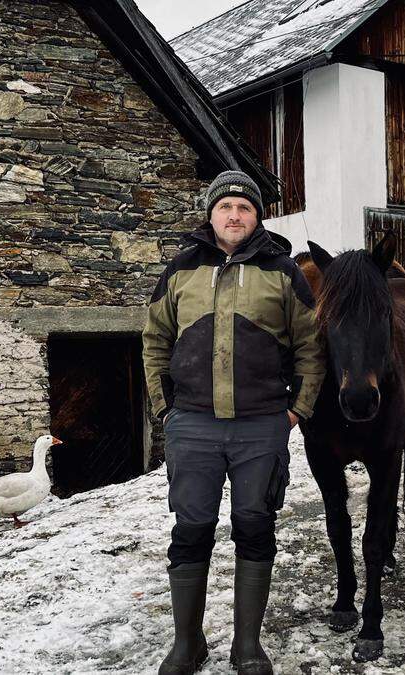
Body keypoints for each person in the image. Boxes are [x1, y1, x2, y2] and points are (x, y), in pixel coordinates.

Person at [143, 170, 324, 675]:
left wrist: (296, 410)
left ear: (257, 216)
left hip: (261, 426)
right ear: (210, 214)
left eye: (245, 207)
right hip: (193, 425)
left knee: (255, 526)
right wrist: (165, 409)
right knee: (191, 529)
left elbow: (311, 347)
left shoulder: (283, 271)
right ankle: (187, 644)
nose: (235, 215)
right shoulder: (180, 269)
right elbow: (154, 340)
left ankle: (248, 647)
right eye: (226, 207)